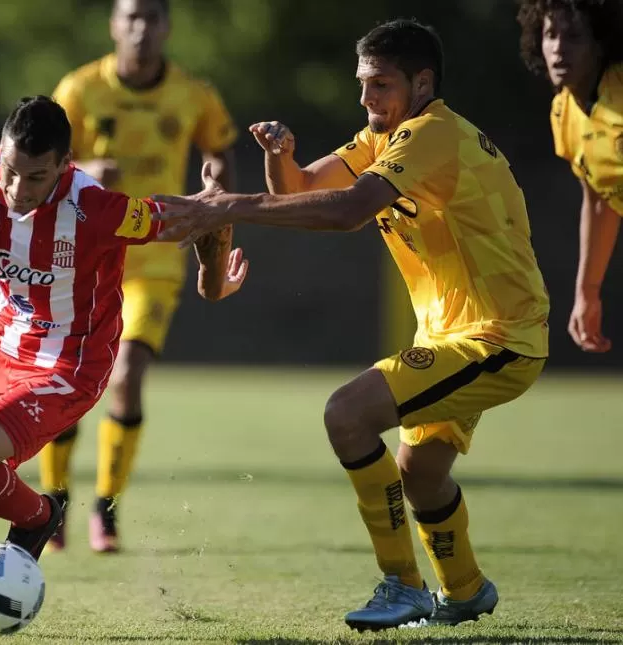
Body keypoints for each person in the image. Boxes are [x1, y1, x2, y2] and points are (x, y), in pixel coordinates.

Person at [152, 19, 550, 630]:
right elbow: (306, 189)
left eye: (380, 85)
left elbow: (347, 213)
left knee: (348, 414)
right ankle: (465, 589)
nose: (366, 100)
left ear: (423, 82)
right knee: (421, 474)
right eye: (362, 85)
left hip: (498, 337)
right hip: (454, 337)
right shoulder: (383, 135)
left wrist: (229, 207)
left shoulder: (430, 134)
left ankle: (404, 586)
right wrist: (280, 161)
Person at [0, 95, 247, 633]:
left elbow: (175, 219)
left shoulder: (95, 208)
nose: (16, 189)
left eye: (36, 177)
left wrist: (222, 205)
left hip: (67, 366)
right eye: (10, 171)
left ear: (65, 165)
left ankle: (39, 518)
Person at [42, 0, 238, 553]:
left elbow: (219, 152)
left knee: (126, 374)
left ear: (167, 26)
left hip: (155, 256)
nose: (141, 28)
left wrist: (213, 198)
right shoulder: (79, 90)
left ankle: (105, 510)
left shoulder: (193, 94)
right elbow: (38, 164)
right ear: (113, 25)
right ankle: (53, 502)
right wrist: (80, 171)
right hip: (85, 255)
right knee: (70, 378)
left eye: (152, 17)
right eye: (130, 17)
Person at [517, 0, 623, 353]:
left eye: (574, 36)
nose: (559, 47)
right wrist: (587, 292)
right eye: (550, 34)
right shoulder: (563, 111)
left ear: (601, 43)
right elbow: (598, 200)